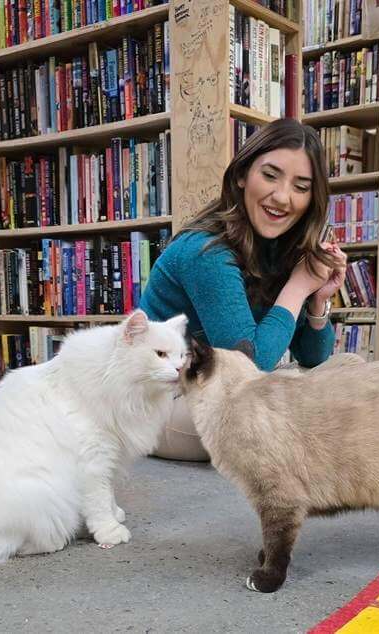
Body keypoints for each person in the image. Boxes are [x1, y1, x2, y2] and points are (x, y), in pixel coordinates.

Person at [139, 118, 348, 461]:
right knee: (259, 416)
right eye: (270, 175)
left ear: (312, 198)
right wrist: (298, 287)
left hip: (222, 391)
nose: (282, 197)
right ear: (241, 175)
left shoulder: (281, 252)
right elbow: (249, 367)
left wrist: (318, 300)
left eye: (301, 186)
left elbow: (314, 358)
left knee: (346, 367)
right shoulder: (204, 251)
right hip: (163, 399)